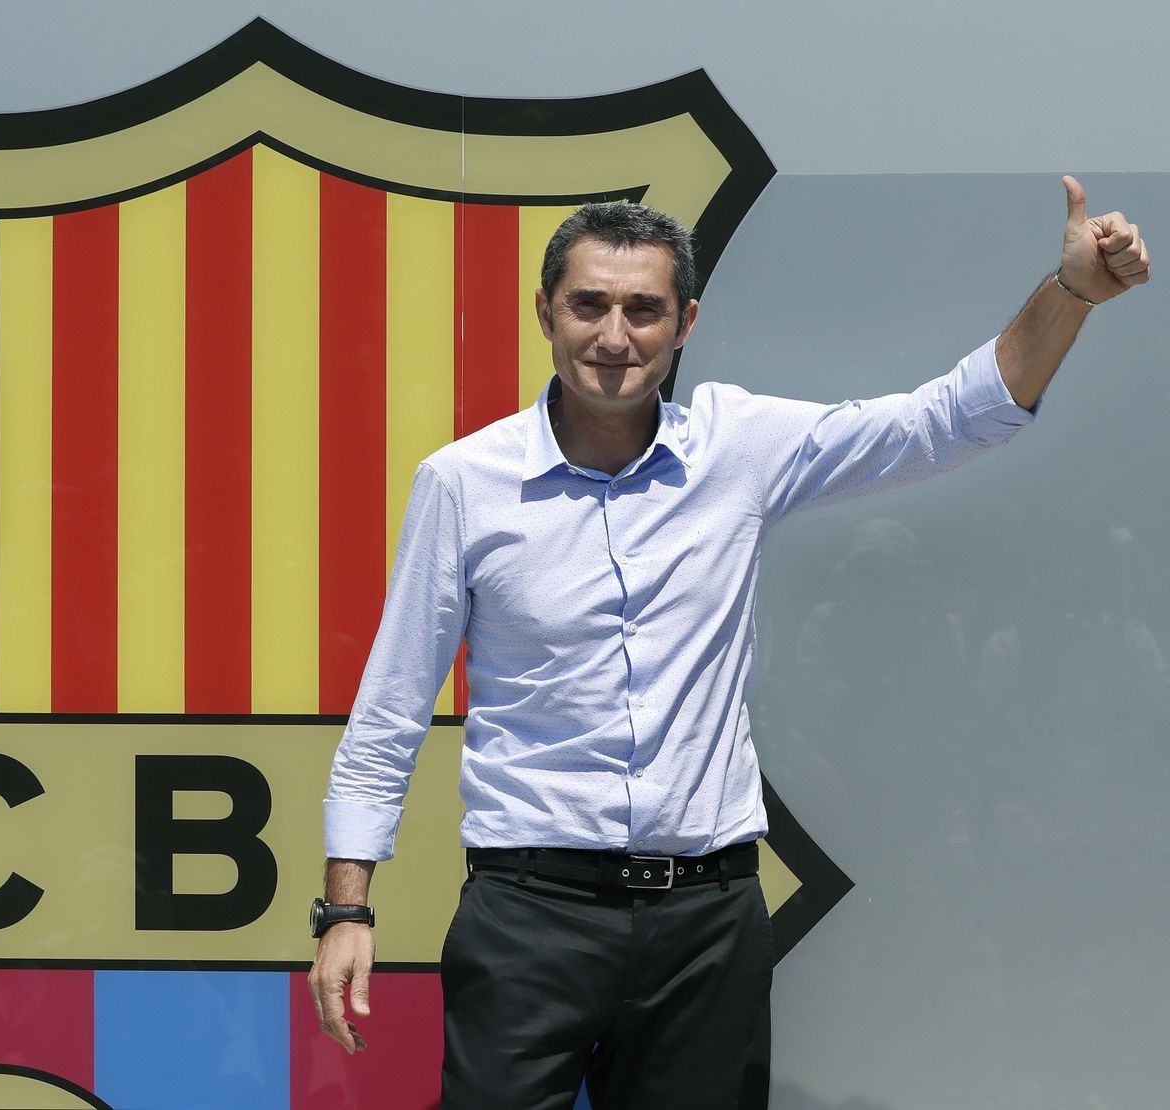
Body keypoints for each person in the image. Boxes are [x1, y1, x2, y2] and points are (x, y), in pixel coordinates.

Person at [306, 178, 1149, 1109]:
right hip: (529, 919)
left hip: (707, 925)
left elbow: (948, 420)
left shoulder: (737, 448)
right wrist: (347, 910)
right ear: (544, 310)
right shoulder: (464, 483)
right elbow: (389, 711)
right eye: (588, 305)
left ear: (687, 321)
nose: (614, 337)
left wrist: (1069, 293)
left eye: (644, 309)